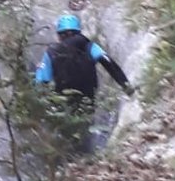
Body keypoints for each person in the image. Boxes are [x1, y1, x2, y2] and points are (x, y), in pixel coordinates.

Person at [35, 14, 134, 151]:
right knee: (85, 129)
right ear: (78, 32)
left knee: (65, 135)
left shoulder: (51, 52)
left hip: (63, 102)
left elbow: (40, 83)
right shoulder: (88, 46)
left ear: (59, 35)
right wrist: (127, 87)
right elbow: (110, 64)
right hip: (88, 100)